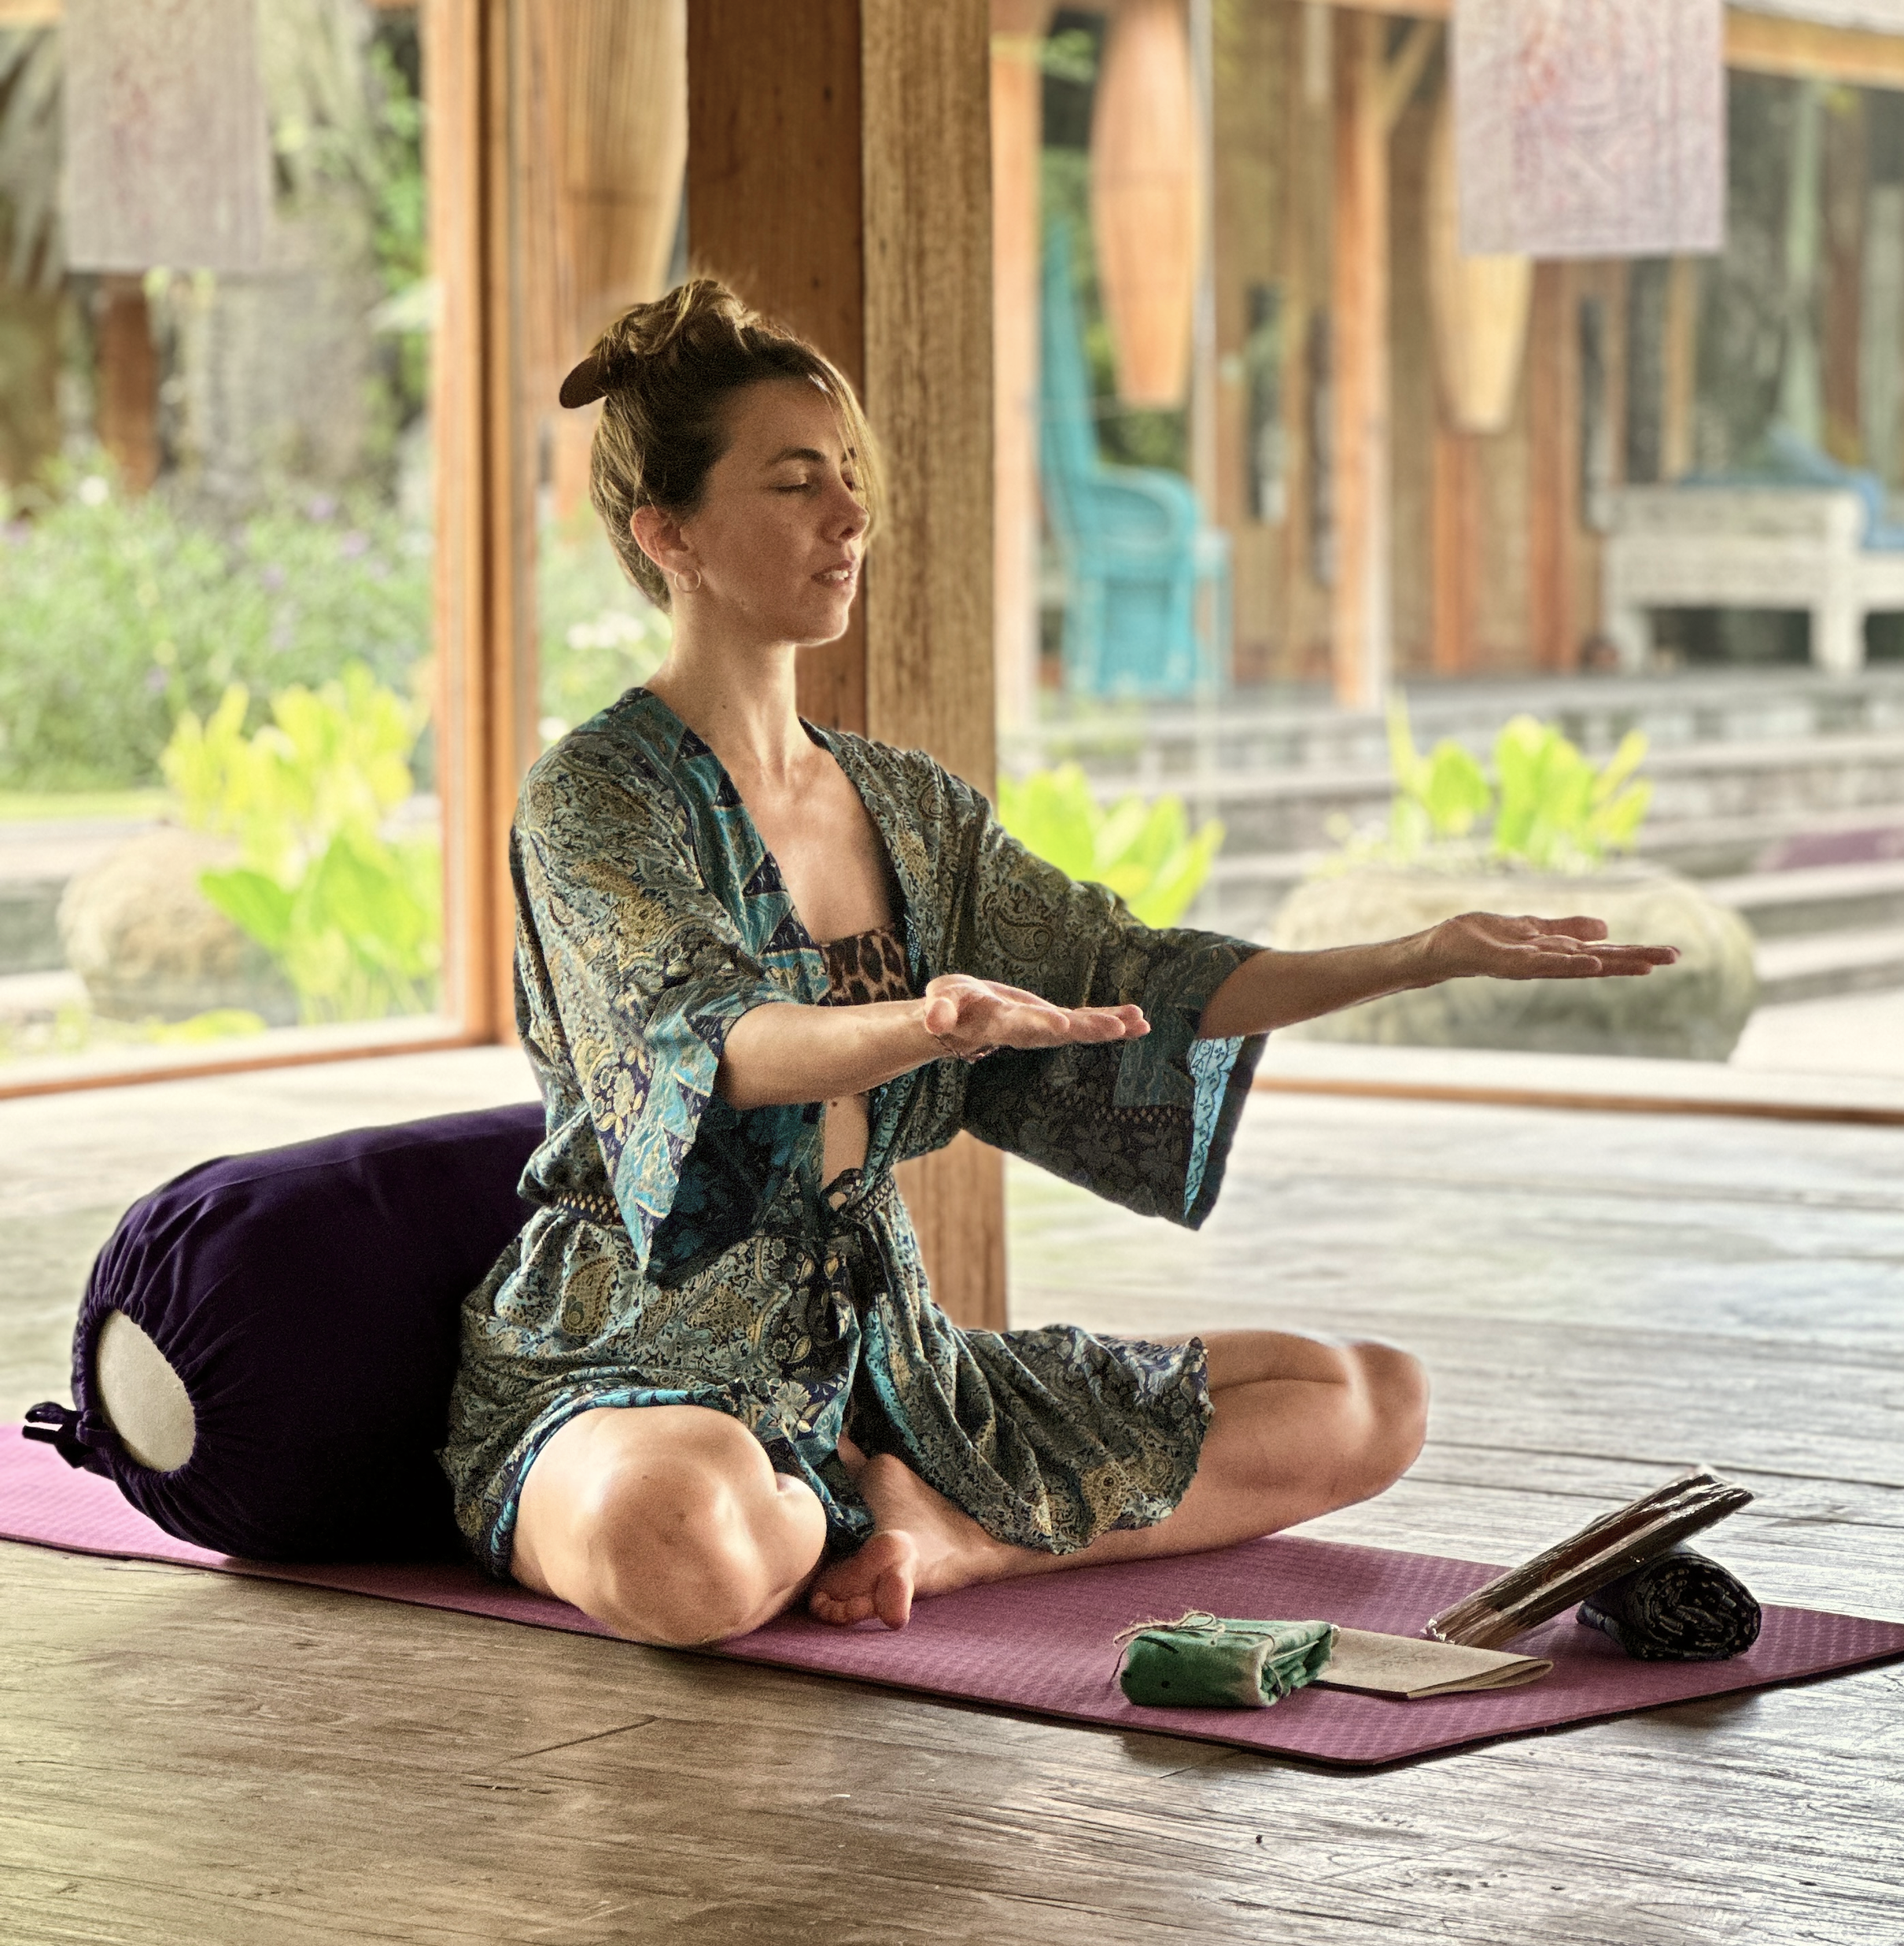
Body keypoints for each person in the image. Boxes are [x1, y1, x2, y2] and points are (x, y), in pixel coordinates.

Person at [441, 278, 1678, 1649]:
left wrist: (1417, 955)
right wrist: (927, 1020)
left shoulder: (909, 808)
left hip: (888, 1361)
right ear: (666, 530)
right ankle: (835, 1515)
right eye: (798, 485)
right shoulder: (593, 797)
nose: (852, 518)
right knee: (672, 1538)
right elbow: (715, 1044)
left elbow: (1132, 970)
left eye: (850, 479)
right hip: (636, 1359)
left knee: (1369, 1398)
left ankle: (941, 1534)